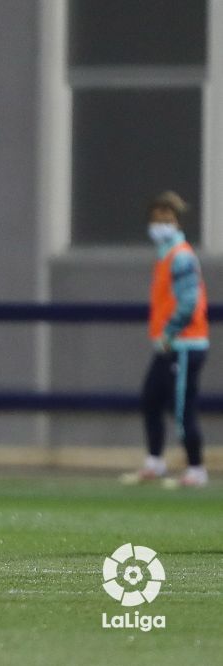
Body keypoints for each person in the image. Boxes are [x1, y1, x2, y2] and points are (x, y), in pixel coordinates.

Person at [121, 191, 209, 488]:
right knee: (151, 400)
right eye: (157, 219)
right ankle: (155, 462)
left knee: (183, 409)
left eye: (167, 219)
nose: (161, 225)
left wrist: (169, 333)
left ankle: (196, 469)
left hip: (184, 344)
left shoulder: (180, 256)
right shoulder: (165, 256)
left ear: (177, 222)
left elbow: (188, 302)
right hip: (168, 345)